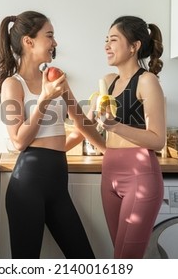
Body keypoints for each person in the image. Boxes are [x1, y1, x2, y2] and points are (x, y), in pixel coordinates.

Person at [0, 10, 101, 259]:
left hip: (57, 186)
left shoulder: (56, 77)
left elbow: (82, 123)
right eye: (49, 35)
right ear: (28, 41)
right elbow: (19, 140)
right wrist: (44, 98)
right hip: (27, 186)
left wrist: (110, 150)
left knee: (85, 260)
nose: (55, 42)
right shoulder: (13, 84)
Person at [65, 15, 166, 259]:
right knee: (118, 256)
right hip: (110, 172)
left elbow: (157, 139)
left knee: (125, 260)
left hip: (140, 176)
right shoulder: (107, 83)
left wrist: (114, 125)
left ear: (134, 46)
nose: (106, 46)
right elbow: (87, 127)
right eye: (106, 40)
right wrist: (65, 94)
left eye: (113, 39)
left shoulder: (147, 81)